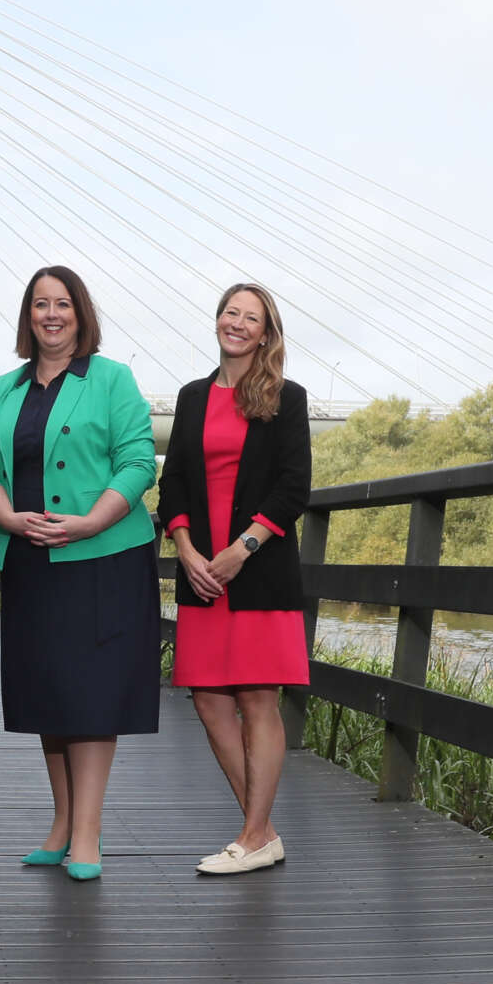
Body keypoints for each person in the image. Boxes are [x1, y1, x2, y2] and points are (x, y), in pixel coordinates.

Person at [0, 266, 159, 881]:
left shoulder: (112, 379)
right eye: (41, 304)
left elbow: (136, 462)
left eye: (63, 304)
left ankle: (89, 836)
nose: (52, 314)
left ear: (81, 314)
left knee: (91, 696)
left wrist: (88, 523)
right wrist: (9, 520)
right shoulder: (6, 387)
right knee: (48, 692)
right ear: (28, 316)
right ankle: (62, 823)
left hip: (101, 559)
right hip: (32, 559)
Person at [157, 283, 311, 875]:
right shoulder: (192, 397)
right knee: (209, 700)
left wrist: (240, 550)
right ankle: (264, 830)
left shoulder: (285, 397)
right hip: (203, 575)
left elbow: (293, 486)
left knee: (257, 697)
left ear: (266, 333)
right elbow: (174, 486)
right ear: (217, 320)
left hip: (259, 570)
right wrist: (189, 550)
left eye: (252, 318)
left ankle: (250, 835)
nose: (238, 324)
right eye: (230, 313)